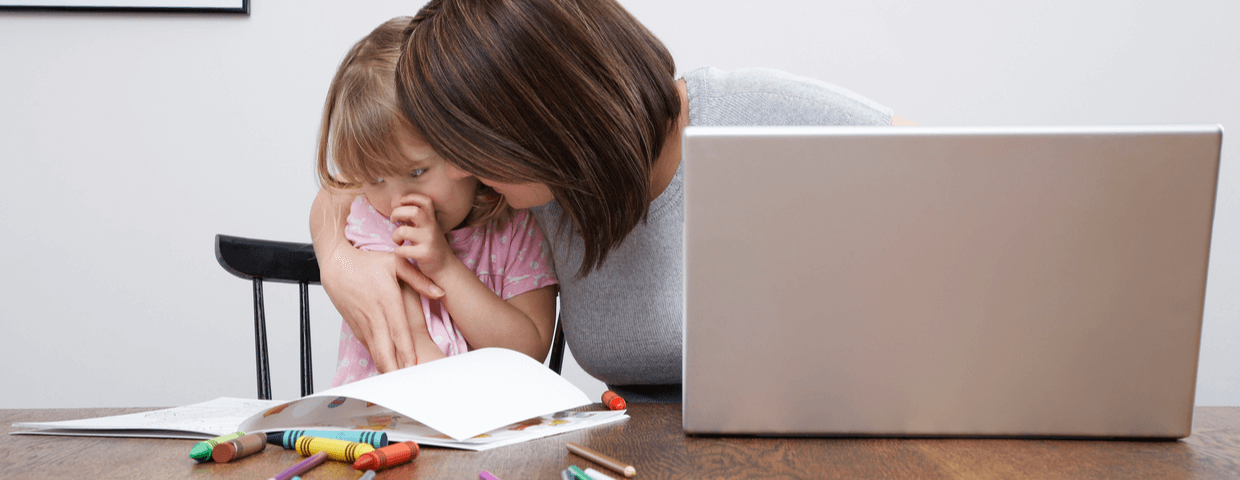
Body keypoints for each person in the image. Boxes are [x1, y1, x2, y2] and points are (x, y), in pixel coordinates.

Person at [310, 0, 913, 401]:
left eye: (471, 144)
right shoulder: (536, 191)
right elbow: (345, 192)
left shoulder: (749, 114)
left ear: (545, 116)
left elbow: (965, 178)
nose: (464, 169)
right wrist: (343, 266)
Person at [314, 17, 559, 387]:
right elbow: (411, 352)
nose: (398, 201)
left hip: (486, 428)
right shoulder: (376, 223)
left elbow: (529, 351)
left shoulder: (516, 225)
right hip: (390, 422)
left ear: (462, 145)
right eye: (375, 179)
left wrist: (444, 266)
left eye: (416, 173)